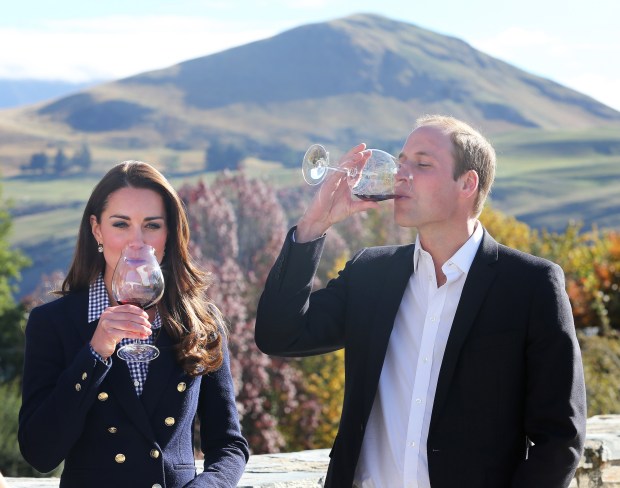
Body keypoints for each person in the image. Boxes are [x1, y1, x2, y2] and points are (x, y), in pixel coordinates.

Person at [255, 115, 586, 488]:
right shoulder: (370, 273)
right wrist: (313, 226)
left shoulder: (529, 285)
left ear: (467, 183)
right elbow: (279, 335)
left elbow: (560, 438)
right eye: (401, 161)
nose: (400, 173)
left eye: (422, 164)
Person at [19, 161, 249, 487]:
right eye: (121, 224)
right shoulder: (51, 323)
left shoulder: (201, 323)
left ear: (170, 233)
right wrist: (94, 354)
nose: (137, 242)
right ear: (97, 230)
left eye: (152, 226)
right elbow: (39, 453)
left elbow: (229, 445)